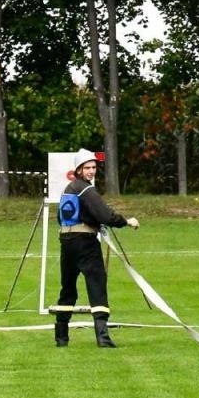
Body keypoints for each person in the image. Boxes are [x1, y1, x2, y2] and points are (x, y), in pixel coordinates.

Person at [53, 149, 138, 348]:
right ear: (79, 170)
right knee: (97, 284)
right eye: (87, 168)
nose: (91, 171)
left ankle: (61, 337)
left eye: (93, 167)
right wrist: (126, 221)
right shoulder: (86, 189)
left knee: (67, 288)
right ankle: (103, 338)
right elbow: (105, 215)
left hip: (66, 242)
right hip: (85, 243)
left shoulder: (68, 189)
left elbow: (60, 217)